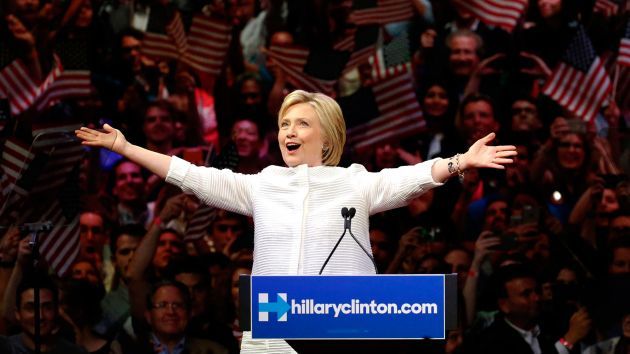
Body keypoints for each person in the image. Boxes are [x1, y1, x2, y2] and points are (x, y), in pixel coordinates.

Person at [76, 89, 517, 352]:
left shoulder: (355, 182)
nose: (289, 130)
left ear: (326, 136)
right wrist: (126, 147)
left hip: (345, 323)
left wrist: (462, 161)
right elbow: (192, 176)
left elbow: (413, 178)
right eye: (285, 122)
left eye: (302, 123)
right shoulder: (262, 184)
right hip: (274, 324)